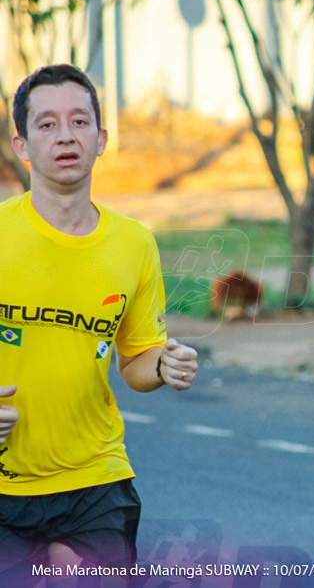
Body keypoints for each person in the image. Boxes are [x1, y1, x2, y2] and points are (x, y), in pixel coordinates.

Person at [0, 64, 199, 581]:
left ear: (102, 138)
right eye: (46, 125)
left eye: (79, 122)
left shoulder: (133, 244)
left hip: (95, 476)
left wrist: (165, 365)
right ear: (20, 144)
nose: (65, 135)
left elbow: (136, 358)